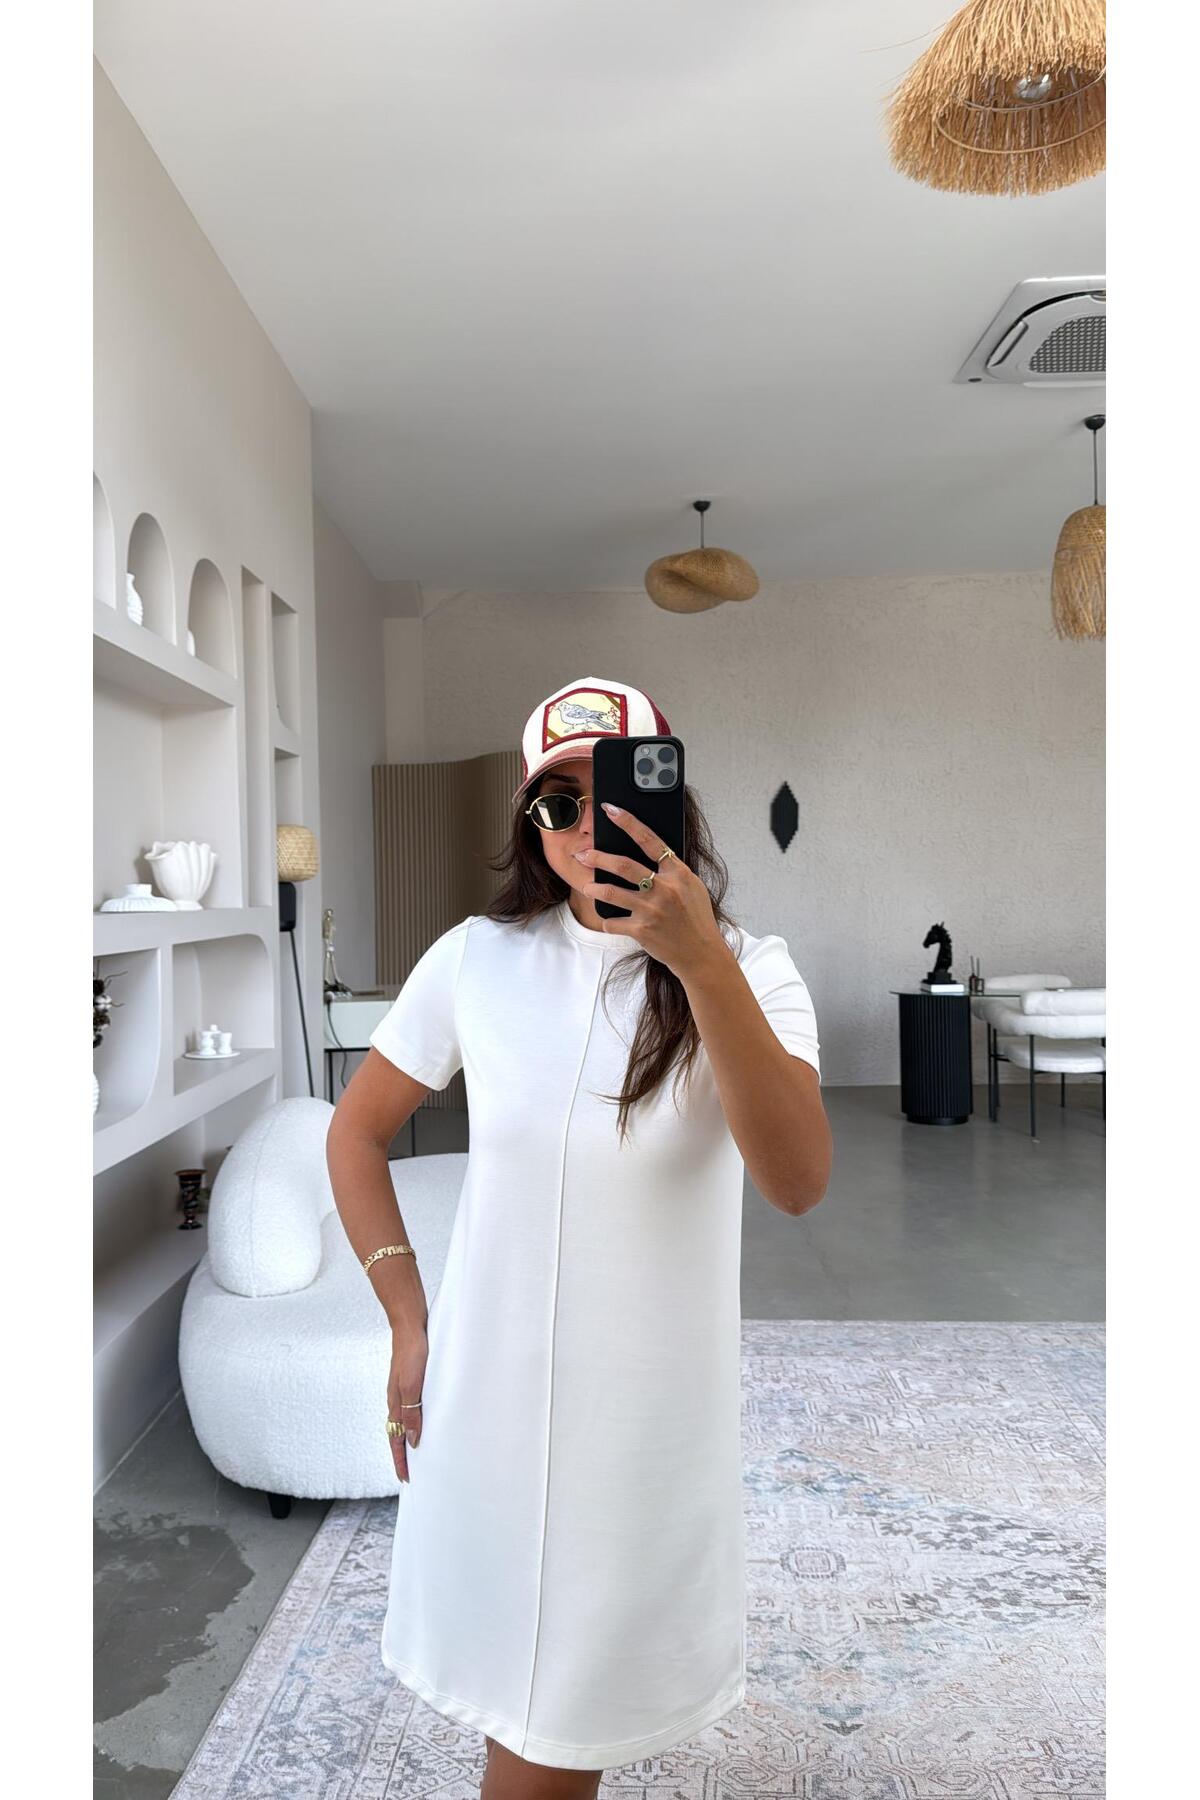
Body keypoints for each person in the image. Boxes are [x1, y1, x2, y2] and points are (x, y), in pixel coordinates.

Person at [326, 676, 832, 1800]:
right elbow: (354, 1135)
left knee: (558, 1725)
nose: (584, 828)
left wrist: (699, 961)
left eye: (614, 793)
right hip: (488, 1404)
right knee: (516, 1701)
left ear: (668, 799)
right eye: (555, 806)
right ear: (531, 828)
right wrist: (408, 1320)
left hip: (636, 1433)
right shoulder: (475, 960)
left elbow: (798, 1180)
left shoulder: (753, 969)